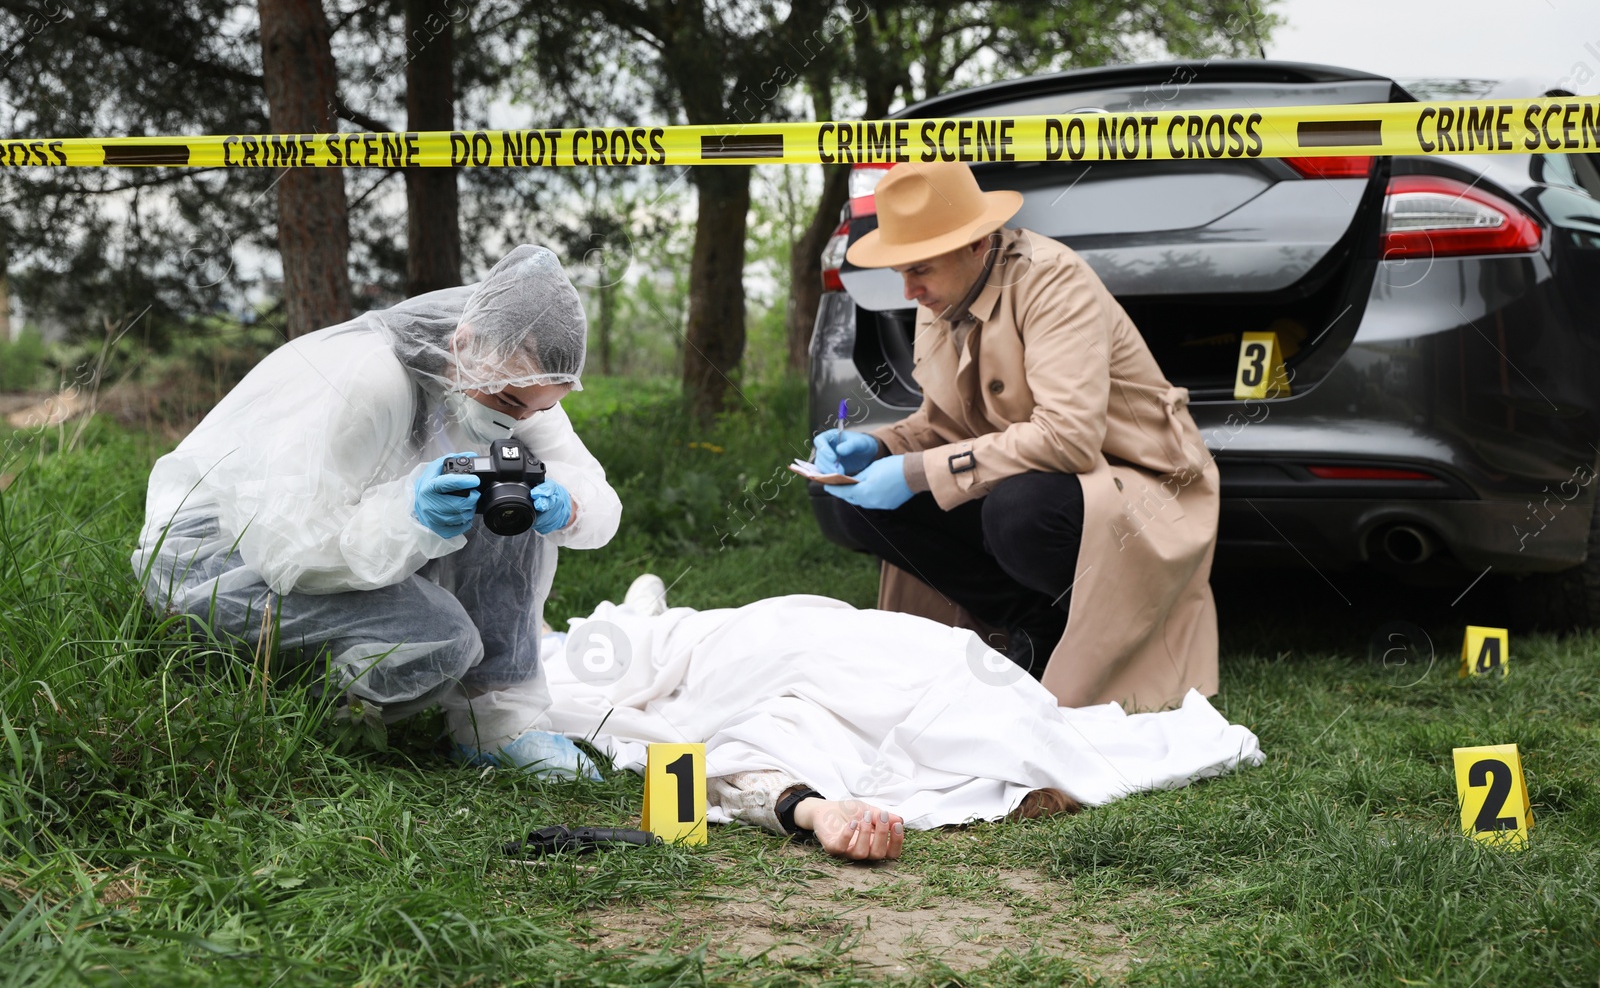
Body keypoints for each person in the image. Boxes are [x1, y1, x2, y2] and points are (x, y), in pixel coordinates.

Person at [132, 244, 621, 778]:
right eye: (507, 403)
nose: (520, 420)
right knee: (441, 637)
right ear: (465, 343)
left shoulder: (515, 383)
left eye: (540, 408)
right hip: (221, 557)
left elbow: (594, 490)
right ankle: (295, 710)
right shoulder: (371, 382)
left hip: (335, 543)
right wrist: (411, 517)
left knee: (519, 493)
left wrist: (567, 506)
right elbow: (288, 552)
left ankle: (494, 724)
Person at [814, 162, 1220, 711]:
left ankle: (1073, 631)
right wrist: (880, 446)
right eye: (901, 272)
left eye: (920, 270)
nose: (908, 291)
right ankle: (1026, 623)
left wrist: (914, 472)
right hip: (1026, 474)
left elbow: (1070, 438)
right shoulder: (942, 292)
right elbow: (944, 425)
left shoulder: (1052, 279)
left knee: (1018, 510)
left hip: (1132, 483)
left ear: (977, 243)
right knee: (841, 494)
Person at [515, 573, 1263, 862]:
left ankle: (637, 618)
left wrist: (814, 812)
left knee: (606, 689)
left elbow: (720, 761)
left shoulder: (818, 738)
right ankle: (635, 619)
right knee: (617, 663)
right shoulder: (957, 684)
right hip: (783, 635)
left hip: (768, 646)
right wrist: (816, 810)